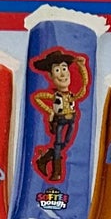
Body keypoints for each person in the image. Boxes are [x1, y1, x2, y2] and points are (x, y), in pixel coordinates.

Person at [29, 48, 89, 183]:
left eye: (64, 69)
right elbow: (38, 97)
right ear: (50, 76)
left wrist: (82, 67)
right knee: (57, 144)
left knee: (65, 143)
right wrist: (50, 111)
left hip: (71, 120)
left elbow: (83, 89)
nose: (62, 74)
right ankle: (56, 172)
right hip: (60, 121)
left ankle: (45, 158)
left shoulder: (71, 95)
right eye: (57, 70)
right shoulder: (54, 96)